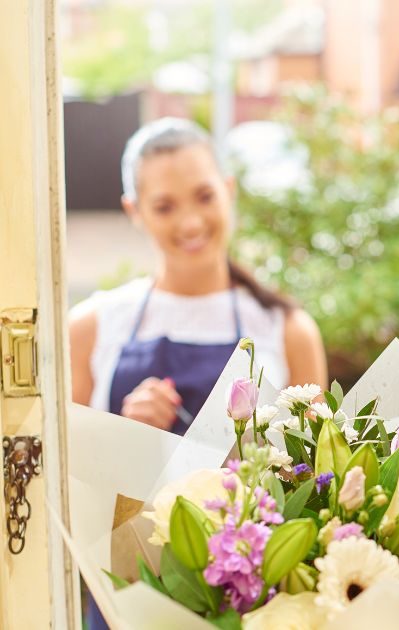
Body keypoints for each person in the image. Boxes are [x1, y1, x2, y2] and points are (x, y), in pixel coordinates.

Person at [68, 117, 327, 433]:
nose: (190, 223)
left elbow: (312, 473)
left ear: (228, 190)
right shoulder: (89, 329)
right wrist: (128, 435)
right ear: (134, 211)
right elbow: (71, 472)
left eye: (205, 197)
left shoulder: (289, 332)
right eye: (165, 207)